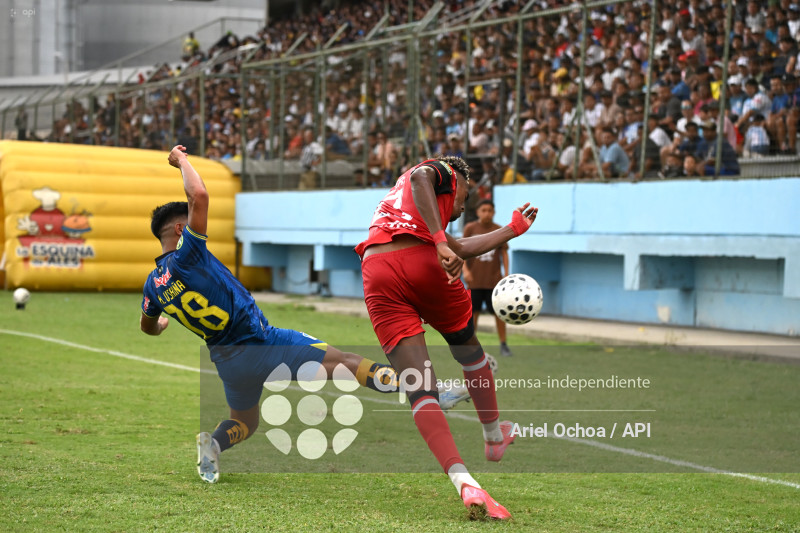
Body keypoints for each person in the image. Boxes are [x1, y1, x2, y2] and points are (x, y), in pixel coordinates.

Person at [140, 146, 415, 485]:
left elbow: (147, 326)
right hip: (262, 342)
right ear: (182, 230)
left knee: (245, 422)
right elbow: (199, 194)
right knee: (344, 361)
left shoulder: (152, 285)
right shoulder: (189, 254)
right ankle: (421, 388)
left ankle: (213, 445)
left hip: (227, 360)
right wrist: (181, 160)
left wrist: (162, 324)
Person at [354, 155, 538, 520]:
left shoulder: (408, 209)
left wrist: (512, 230)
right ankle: (493, 437)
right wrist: (439, 242)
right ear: (459, 181)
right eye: (465, 199)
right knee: (470, 354)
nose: (461, 208)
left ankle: (465, 482)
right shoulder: (440, 172)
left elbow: (461, 247)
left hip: (377, 270)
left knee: (420, 389)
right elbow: (424, 176)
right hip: (422, 261)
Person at [462, 200, 513, 357]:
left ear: (494, 212)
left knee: (499, 314)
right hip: (475, 281)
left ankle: (504, 345)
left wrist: (506, 274)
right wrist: (465, 270)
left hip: (494, 282)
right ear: (478, 212)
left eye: (490, 210)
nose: (486, 213)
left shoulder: (499, 230)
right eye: (483, 210)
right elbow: (461, 250)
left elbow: (503, 252)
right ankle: (471, 346)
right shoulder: (470, 228)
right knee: (473, 315)